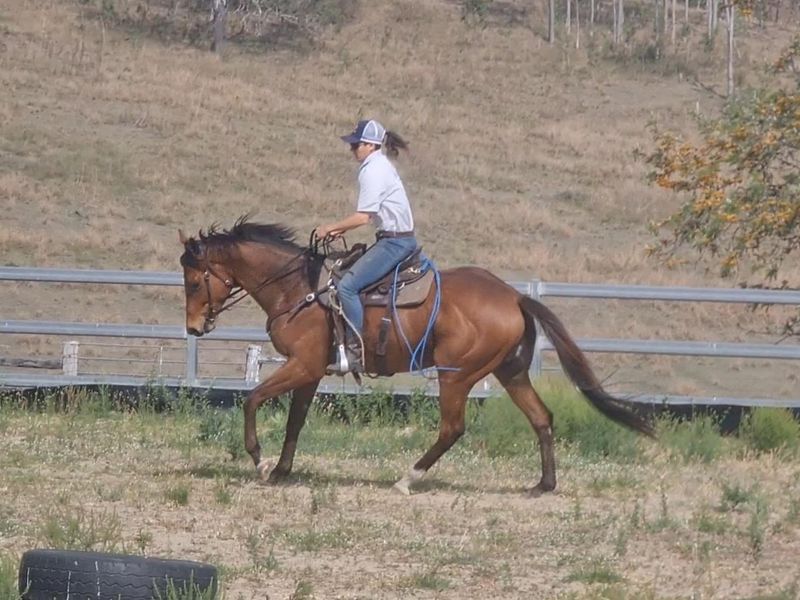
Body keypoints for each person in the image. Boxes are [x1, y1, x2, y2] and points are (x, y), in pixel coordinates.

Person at [316, 119, 418, 374]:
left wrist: (330, 227)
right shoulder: (381, 165)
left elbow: (363, 216)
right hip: (394, 238)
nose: (353, 150)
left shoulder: (373, 170)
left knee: (347, 286)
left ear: (371, 145)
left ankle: (356, 352)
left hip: (394, 242)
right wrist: (342, 228)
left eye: (356, 145)